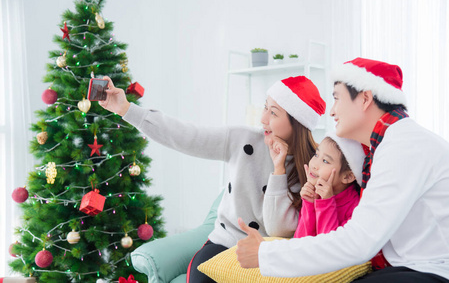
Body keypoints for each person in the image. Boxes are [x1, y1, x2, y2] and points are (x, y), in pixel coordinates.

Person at [236, 58, 449, 283]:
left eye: (337, 98)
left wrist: (265, 254)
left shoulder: (404, 148)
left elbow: (359, 241)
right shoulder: (387, 146)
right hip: (410, 267)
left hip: (433, 272)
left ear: (365, 99)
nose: (332, 111)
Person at [99, 75, 326, 283]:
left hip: (268, 253)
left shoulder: (315, 167)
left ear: (296, 123)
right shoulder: (242, 139)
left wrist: (278, 170)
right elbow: (186, 136)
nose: (263, 119)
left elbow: (279, 230)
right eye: (265, 108)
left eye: (274, 113)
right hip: (224, 244)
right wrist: (126, 109)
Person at [294, 132, 365, 239]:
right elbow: (300, 243)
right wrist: (309, 203)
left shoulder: (356, 209)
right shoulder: (315, 193)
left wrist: (326, 203)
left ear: (348, 177)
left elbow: (328, 248)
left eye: (325, 161)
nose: (314, 165)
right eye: (316, 155)